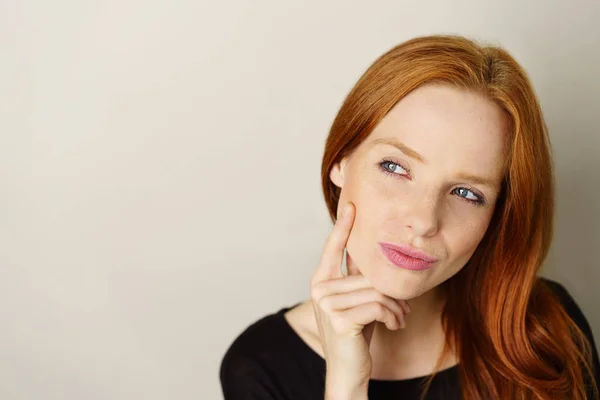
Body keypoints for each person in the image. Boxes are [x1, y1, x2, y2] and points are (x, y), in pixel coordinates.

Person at [219, 34, 600, 399]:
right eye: (395, 167)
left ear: (497, 215)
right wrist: (346, 386)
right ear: (340, 160)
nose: (423, 221)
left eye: (467, 193)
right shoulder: (261, 367)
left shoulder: (544, 330)